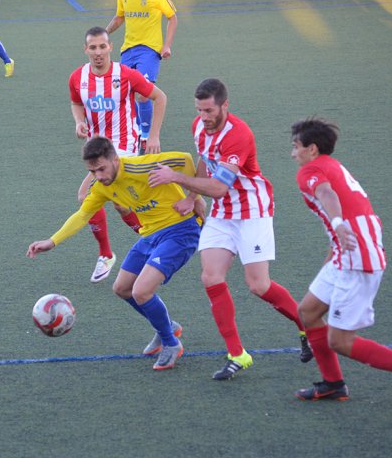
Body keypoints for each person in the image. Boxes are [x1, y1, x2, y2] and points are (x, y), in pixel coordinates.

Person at [148, 78, 313, 380]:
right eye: (199, 110)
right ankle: (238, 354)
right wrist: (191, 197)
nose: (204, 117)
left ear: (225, 105)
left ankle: (307, 326)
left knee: (258, 285)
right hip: (223, 214)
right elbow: (204, 160)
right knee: (211, 277)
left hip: (252, 211)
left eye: (209, 110)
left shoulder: (239, 135)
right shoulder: (199, 126)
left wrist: (176, 178)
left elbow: (220, 187)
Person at [288, 117, 392, 405]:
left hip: (356, 255)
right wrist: (337, 238)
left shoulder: (311, 171)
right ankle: (333, 384)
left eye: (296, 146)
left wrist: (338, 223)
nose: (292, 153)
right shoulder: (332, 165)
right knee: (308, 312)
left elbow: (326, 193)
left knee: (340, 341)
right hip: (346, 250)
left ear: (312, 149)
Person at [27, 136, 204, 370]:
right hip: (150, 235)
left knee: (141, 291)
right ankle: (167, 327)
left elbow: (186, 159)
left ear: (115, 160)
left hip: (180, 231)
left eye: (101, 168)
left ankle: (171, 343)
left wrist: (193, 198)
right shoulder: (102, 186)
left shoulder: (142, 166)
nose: (99, 175)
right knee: (122, 289)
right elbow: (82, 215)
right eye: (92, 171)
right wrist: (52, 241)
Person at [70, 26, 169, 283]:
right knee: (121, 202)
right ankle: (153, 239)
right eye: (93, 47)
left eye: (103, 46)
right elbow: (76, 103)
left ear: (110, 47)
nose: (98, 52)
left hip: (122, 146)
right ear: (86, 50)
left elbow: (160, 98)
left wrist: (154, 135)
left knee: (86, 195)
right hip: (97, 151)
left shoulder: (126, 75)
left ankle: (107, 253)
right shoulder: (77, 78)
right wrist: (79, 122)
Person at [105, 0, 177, 150]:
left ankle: (145, 136)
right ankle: (136, 131)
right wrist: (105, 34)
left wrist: (166, 45)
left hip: (150, 50)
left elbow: (172, 17)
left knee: (143, 94)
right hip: (128, 50)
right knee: (126, 94)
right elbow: (119, 17)